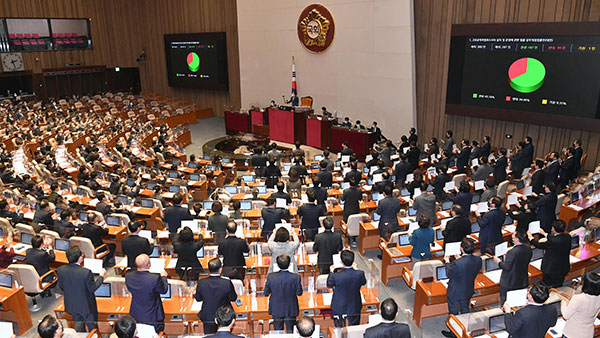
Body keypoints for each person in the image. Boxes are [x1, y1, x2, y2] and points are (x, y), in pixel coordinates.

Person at [57, 246, 107, 332]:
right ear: (80, 258)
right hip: (87, 306)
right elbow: (92, 288)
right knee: (92, 327)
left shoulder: (60, 270)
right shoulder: (85, 272)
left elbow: (61, 286)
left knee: (79, 326)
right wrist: (101, 277)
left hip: (72, 304)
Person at [125, 254, 169, 332]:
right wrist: (164, 277)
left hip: (136, 314)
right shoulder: (154, 278)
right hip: (153, 316)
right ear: (148, 264)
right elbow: (164, 290)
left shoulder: (128, 276)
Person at [195, 258, 237, 334]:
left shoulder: (201, 283)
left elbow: (198, 298)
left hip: (207, 317)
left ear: (209, 269)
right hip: (224, 317)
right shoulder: (227, 283)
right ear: (220, 269)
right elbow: (233, 298)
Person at [263, 254, 303, 332]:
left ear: (277, 264)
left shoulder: (271, 277)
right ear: (289, 264)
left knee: (278, 332)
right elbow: (299, 293)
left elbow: (266, 293)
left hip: (276, 308)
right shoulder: (296, 277)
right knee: (291, 332)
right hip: (290, 308)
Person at [327, 250, 366, 326]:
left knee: (339, 328)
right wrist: (356, 270)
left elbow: (329, 284)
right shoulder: (360, 273)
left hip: (339, 306)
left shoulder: (336, 276)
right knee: (354, 328)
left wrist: (331, 272)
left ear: (341, 262)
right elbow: (363, 282)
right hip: (354, 305)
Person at [444, 239, 482, 315]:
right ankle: (465, 323)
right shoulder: (478, 259)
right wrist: (460, 259)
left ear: (461, 249)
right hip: (468, 289)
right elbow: (468, 268)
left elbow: (449, 274)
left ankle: (454, 324)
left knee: (454, 311)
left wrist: (447, 261)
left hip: (455, 291)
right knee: (465, 309)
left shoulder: (457, 263)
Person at [494, 230, 532, 305]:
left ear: (517, 239)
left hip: (509, 281)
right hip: (521, 279)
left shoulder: (512, 252)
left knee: (505, 301)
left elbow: (507, 267)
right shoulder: (528, 248)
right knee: (517, 300)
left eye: (513, 237)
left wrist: (498, 262)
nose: (512, 237)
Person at [529, 220, 571, 288]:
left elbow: (539, 245)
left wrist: (530, 238)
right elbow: (556, 238)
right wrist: (544, 234)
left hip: (551, 270)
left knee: (548, 286)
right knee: (558, 284)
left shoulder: (553, 241)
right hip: (563, 267)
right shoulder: (567, 236)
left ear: (553, 228)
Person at [561, 272, 600, 338]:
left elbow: (566, 315)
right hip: (588, 333)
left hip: (572, 333)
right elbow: (594, 317)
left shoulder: (578, 299)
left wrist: (563, 303)